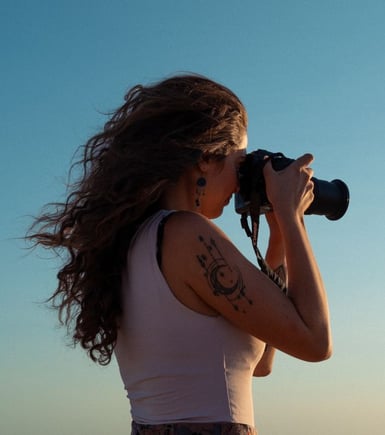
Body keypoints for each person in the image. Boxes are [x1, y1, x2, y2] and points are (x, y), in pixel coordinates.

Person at [29, 73, 332, 435]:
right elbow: (315, 341)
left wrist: (278, 242)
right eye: (240, 164)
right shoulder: (187, 234)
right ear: (206, 158)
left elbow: (260, 363)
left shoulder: (134, 241)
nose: (240, 182)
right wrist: (292, 216)